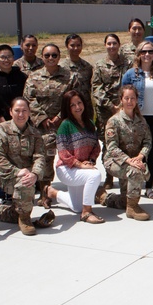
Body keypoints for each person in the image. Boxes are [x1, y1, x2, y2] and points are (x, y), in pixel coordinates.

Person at [0, 97, 54, 235]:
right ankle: (25, 219)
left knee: (27, 181)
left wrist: (35, 174)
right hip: (6, 175)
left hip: (28, 175)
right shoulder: (2, 130)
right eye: (17, 110)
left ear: (29, 112)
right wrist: (16, 171)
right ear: (10, 112)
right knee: (25, 183)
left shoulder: (35, 133)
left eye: (24, 110)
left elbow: (40, 157)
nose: (21, 114)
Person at [24, 43, 75, 205]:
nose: (51, 58)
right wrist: (43, 118)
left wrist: (60, 116)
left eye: (54, 55)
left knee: (70, 157)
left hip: (65, 124)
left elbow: (74, 98)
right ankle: (45, 192)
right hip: (41, 127)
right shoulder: (34, 77)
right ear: (42, 57)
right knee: (44, 159)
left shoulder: (69, 76)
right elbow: (29, 99)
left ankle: (75, 189)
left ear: (59, 57)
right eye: (47, 55)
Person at [121, 40, 153, 198]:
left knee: (152, 151)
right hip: (138, 118)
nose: (147, 55)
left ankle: (149, 187)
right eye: (144, 52)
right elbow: (124, 95)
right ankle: (134, 185)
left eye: (150, 52)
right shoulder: (130, 74)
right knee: (135, 151)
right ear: (138, 54)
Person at [49, 89, 105, 223]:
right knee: (95, 175)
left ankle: (52, 193)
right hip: (67, 168)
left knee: (76, 207)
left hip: (82, 168)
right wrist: (80, 164)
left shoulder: (90, 123)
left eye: (79, 103)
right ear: (67, 108)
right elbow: (62, 152)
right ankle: (87, 212)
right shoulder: (65, 125)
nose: (77, 107)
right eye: (72, 105)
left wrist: (90, 161)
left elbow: (96, 147)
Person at [102, 85, 152, 220]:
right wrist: (129, 161)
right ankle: (132, 208)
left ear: (136, 100)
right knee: (135, 172)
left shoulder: (141, 121)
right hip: (114, 161)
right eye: (126, 98)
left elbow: (148, 141)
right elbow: (111, 147)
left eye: (133, 98)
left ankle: (105, 197)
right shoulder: (114, 121)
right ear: (121, 99)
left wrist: (140, 157)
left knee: (124, 199)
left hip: (134, 160)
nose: (129, 101)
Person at [90, 34, 130, 175]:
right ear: (105, 45)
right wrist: (111, 106)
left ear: (119, 45)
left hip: (125, 109)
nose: (112, 46)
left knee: (124, 142)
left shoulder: (127, 63)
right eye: (109, 43)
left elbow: (131, 83)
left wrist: (122, 105)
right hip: (106, 112)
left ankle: (124, 174)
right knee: (108, 143)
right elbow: (96, 87)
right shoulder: (100, 65)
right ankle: (109, 175)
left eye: (114, 43)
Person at [0, 44, 27, 130]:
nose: (6, 60)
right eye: (2, 57)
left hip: (21, 120)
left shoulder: (22, 77)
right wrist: (4, 123)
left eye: (9, 57)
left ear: (13, 58)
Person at [60, 33, 94, 102]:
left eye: (78, 45)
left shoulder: (87, 66)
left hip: (85, 106)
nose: (76, 48)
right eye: (72, 45)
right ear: (67, 46)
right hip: (69, 106)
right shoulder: (61, 67)